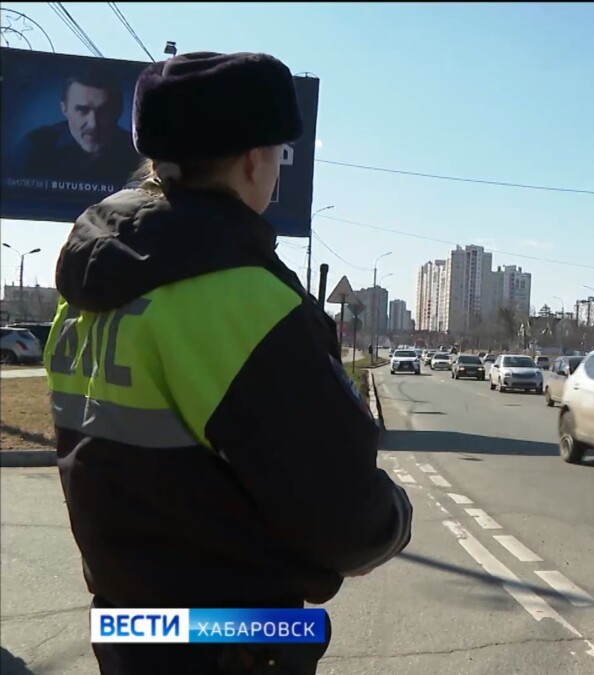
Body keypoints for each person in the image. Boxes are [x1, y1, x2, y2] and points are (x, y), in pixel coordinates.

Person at [44, 51, 413, 675]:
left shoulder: (85, 286)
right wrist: (395, 518)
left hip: (125, 627)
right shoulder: (247, 303)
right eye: (276, 154)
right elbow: (342, 516)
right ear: (254, 160)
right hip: (232, 640)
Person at [10, 69, 141, 187]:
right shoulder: (34, 146)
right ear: (64, 109)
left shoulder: (138, 155)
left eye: (104, 111)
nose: (93, 124)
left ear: (118, 111)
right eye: (82, 110)